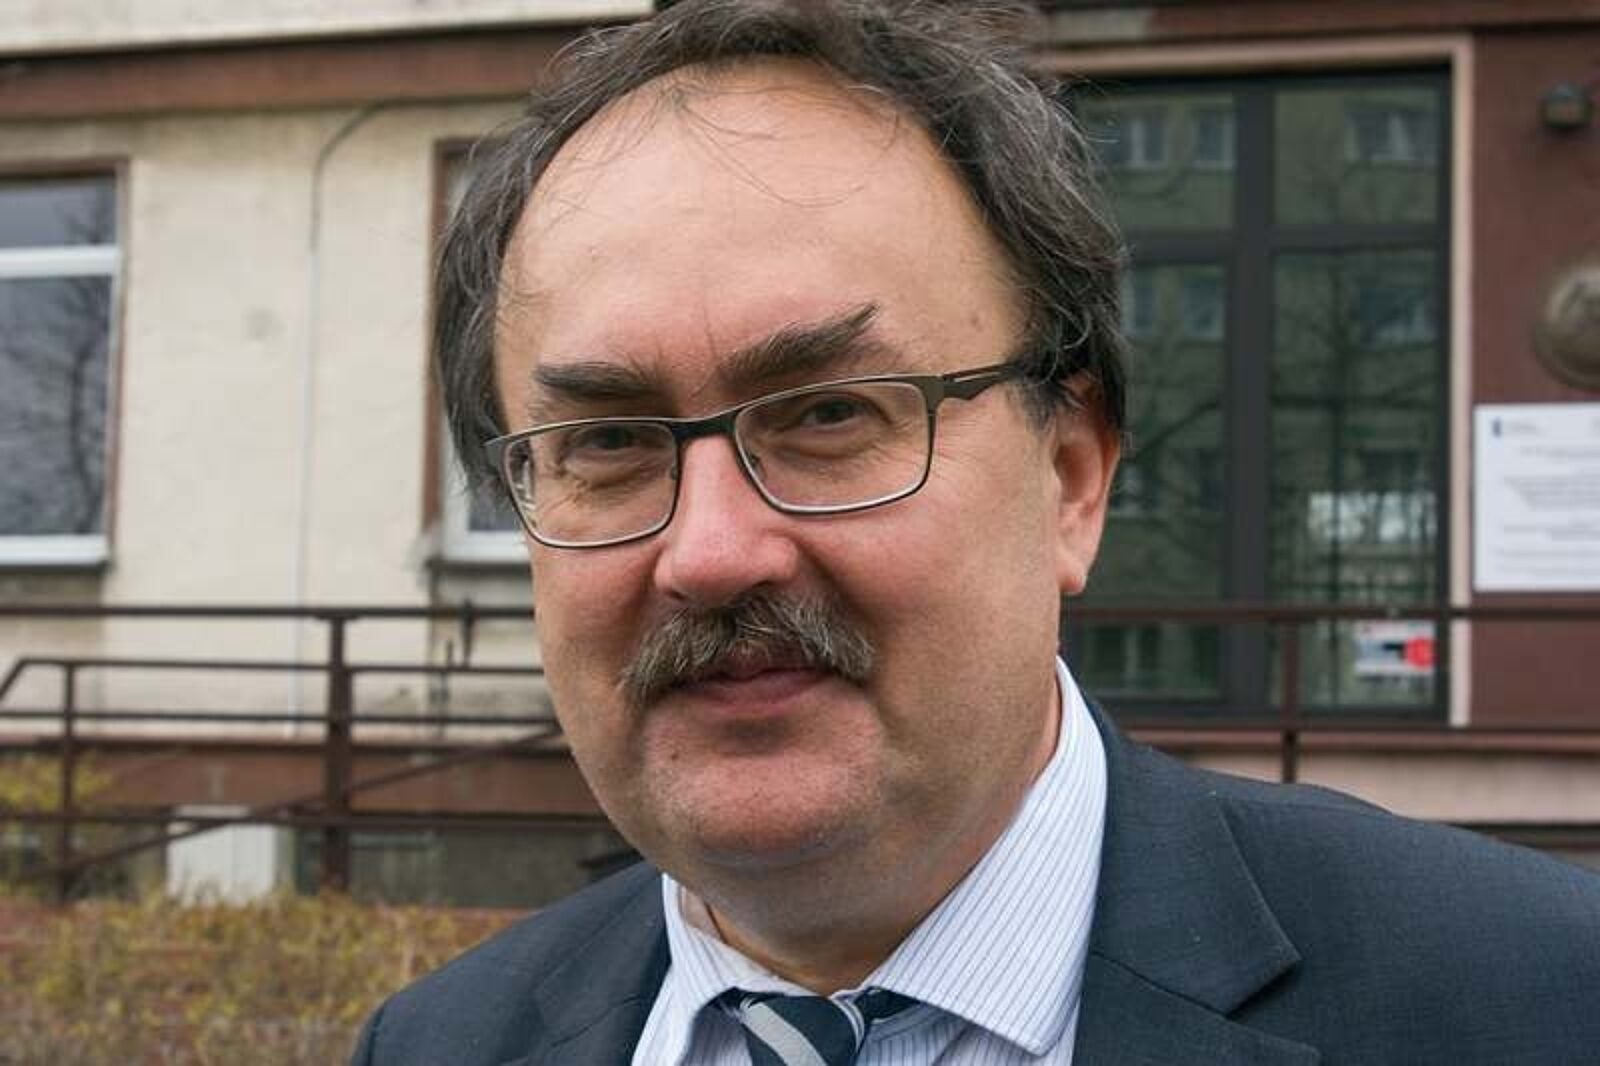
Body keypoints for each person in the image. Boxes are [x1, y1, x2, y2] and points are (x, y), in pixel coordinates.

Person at [353, 2, 1600, 1063]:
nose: (714, 553)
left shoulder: (1535, 1002)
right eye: (611, 443)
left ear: (1070, 477)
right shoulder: (437, 1043)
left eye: (830, 414)